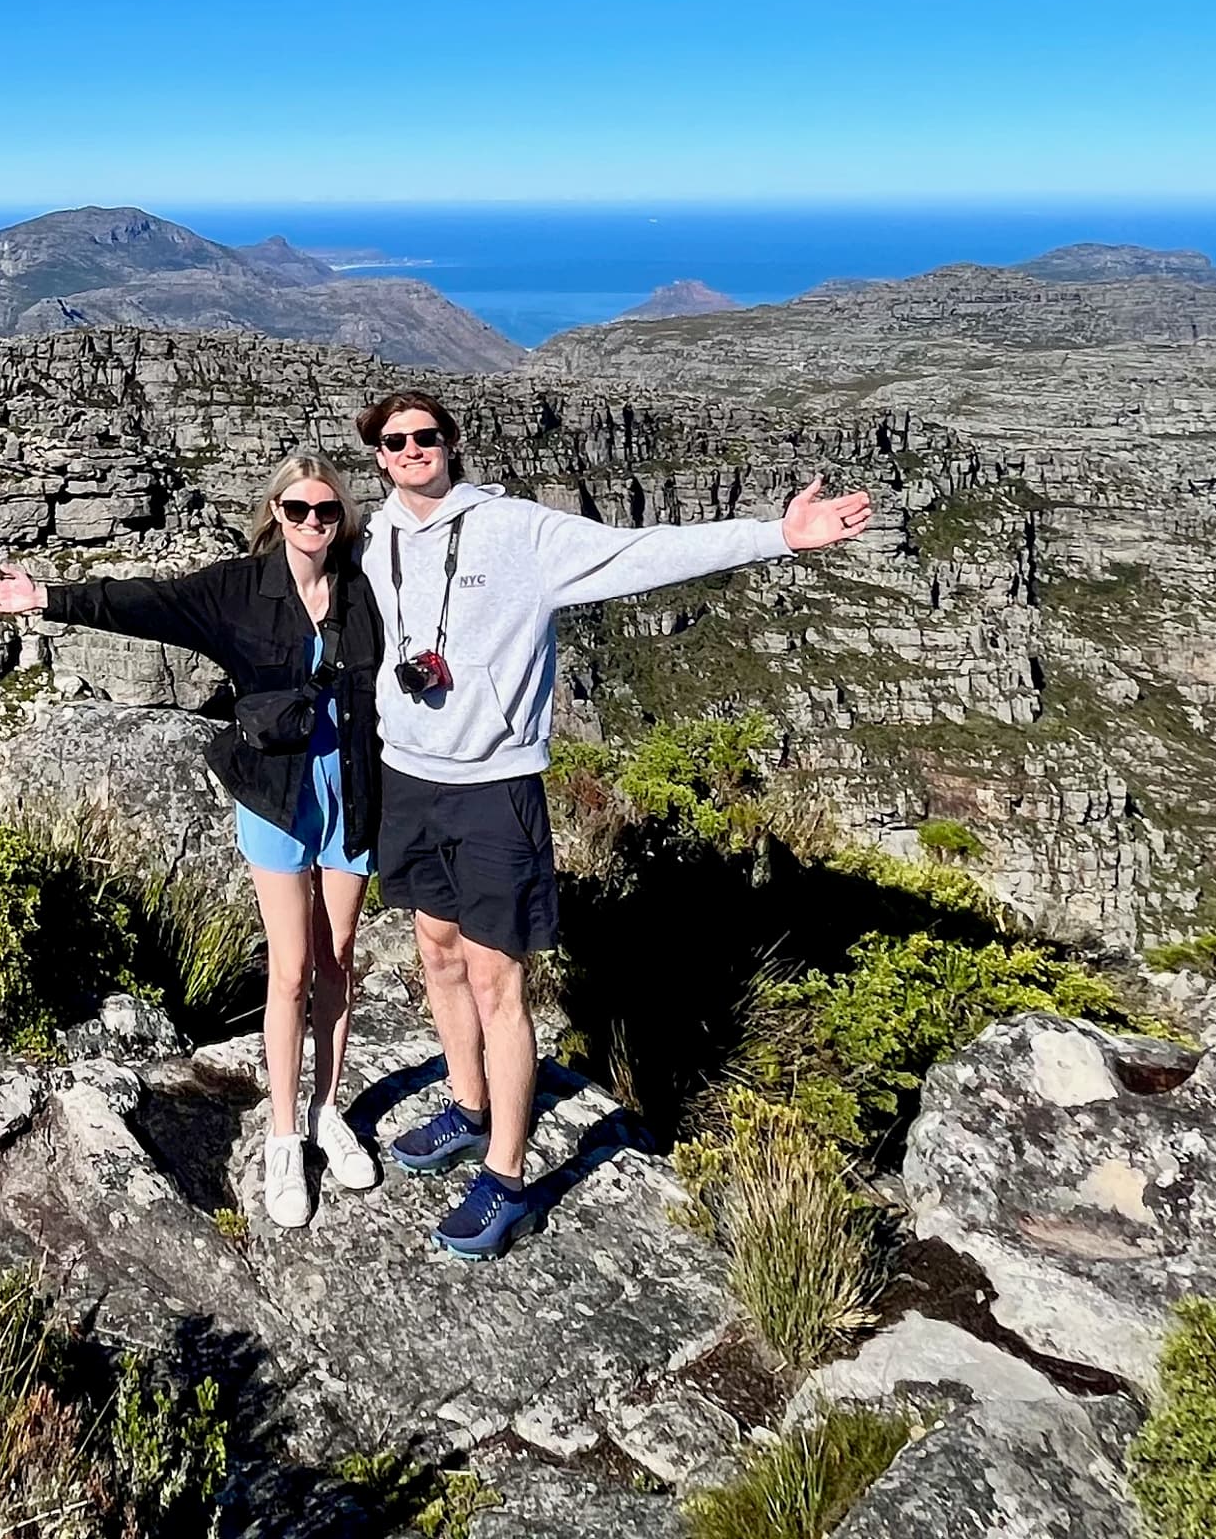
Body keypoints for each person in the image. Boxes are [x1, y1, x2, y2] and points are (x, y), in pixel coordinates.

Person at [355, 387, 872, 1262]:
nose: (413, 450)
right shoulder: (375, 539)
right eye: (396, 440)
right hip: (406, 778)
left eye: (428, 436)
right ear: (378, 456)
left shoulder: (518, 531)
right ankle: (468, 1105)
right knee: (436, 951)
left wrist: (777, 536)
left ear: (451, 443)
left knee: (496, 983)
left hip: (493, 789)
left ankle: (509, 1178)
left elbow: (644, 551)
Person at [0, 454, 387, 1228]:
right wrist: (47, 598)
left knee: (339, 959)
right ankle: (284, 1134)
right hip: (276, 794)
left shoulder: (363, 590)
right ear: (276, 513)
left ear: (342, 520)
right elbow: (148, 603)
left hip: (354, 790)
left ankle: (333, 1110)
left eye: (326, 512)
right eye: (297, 510)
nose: (312, 524)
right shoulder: (238, 588)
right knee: (291, 967)